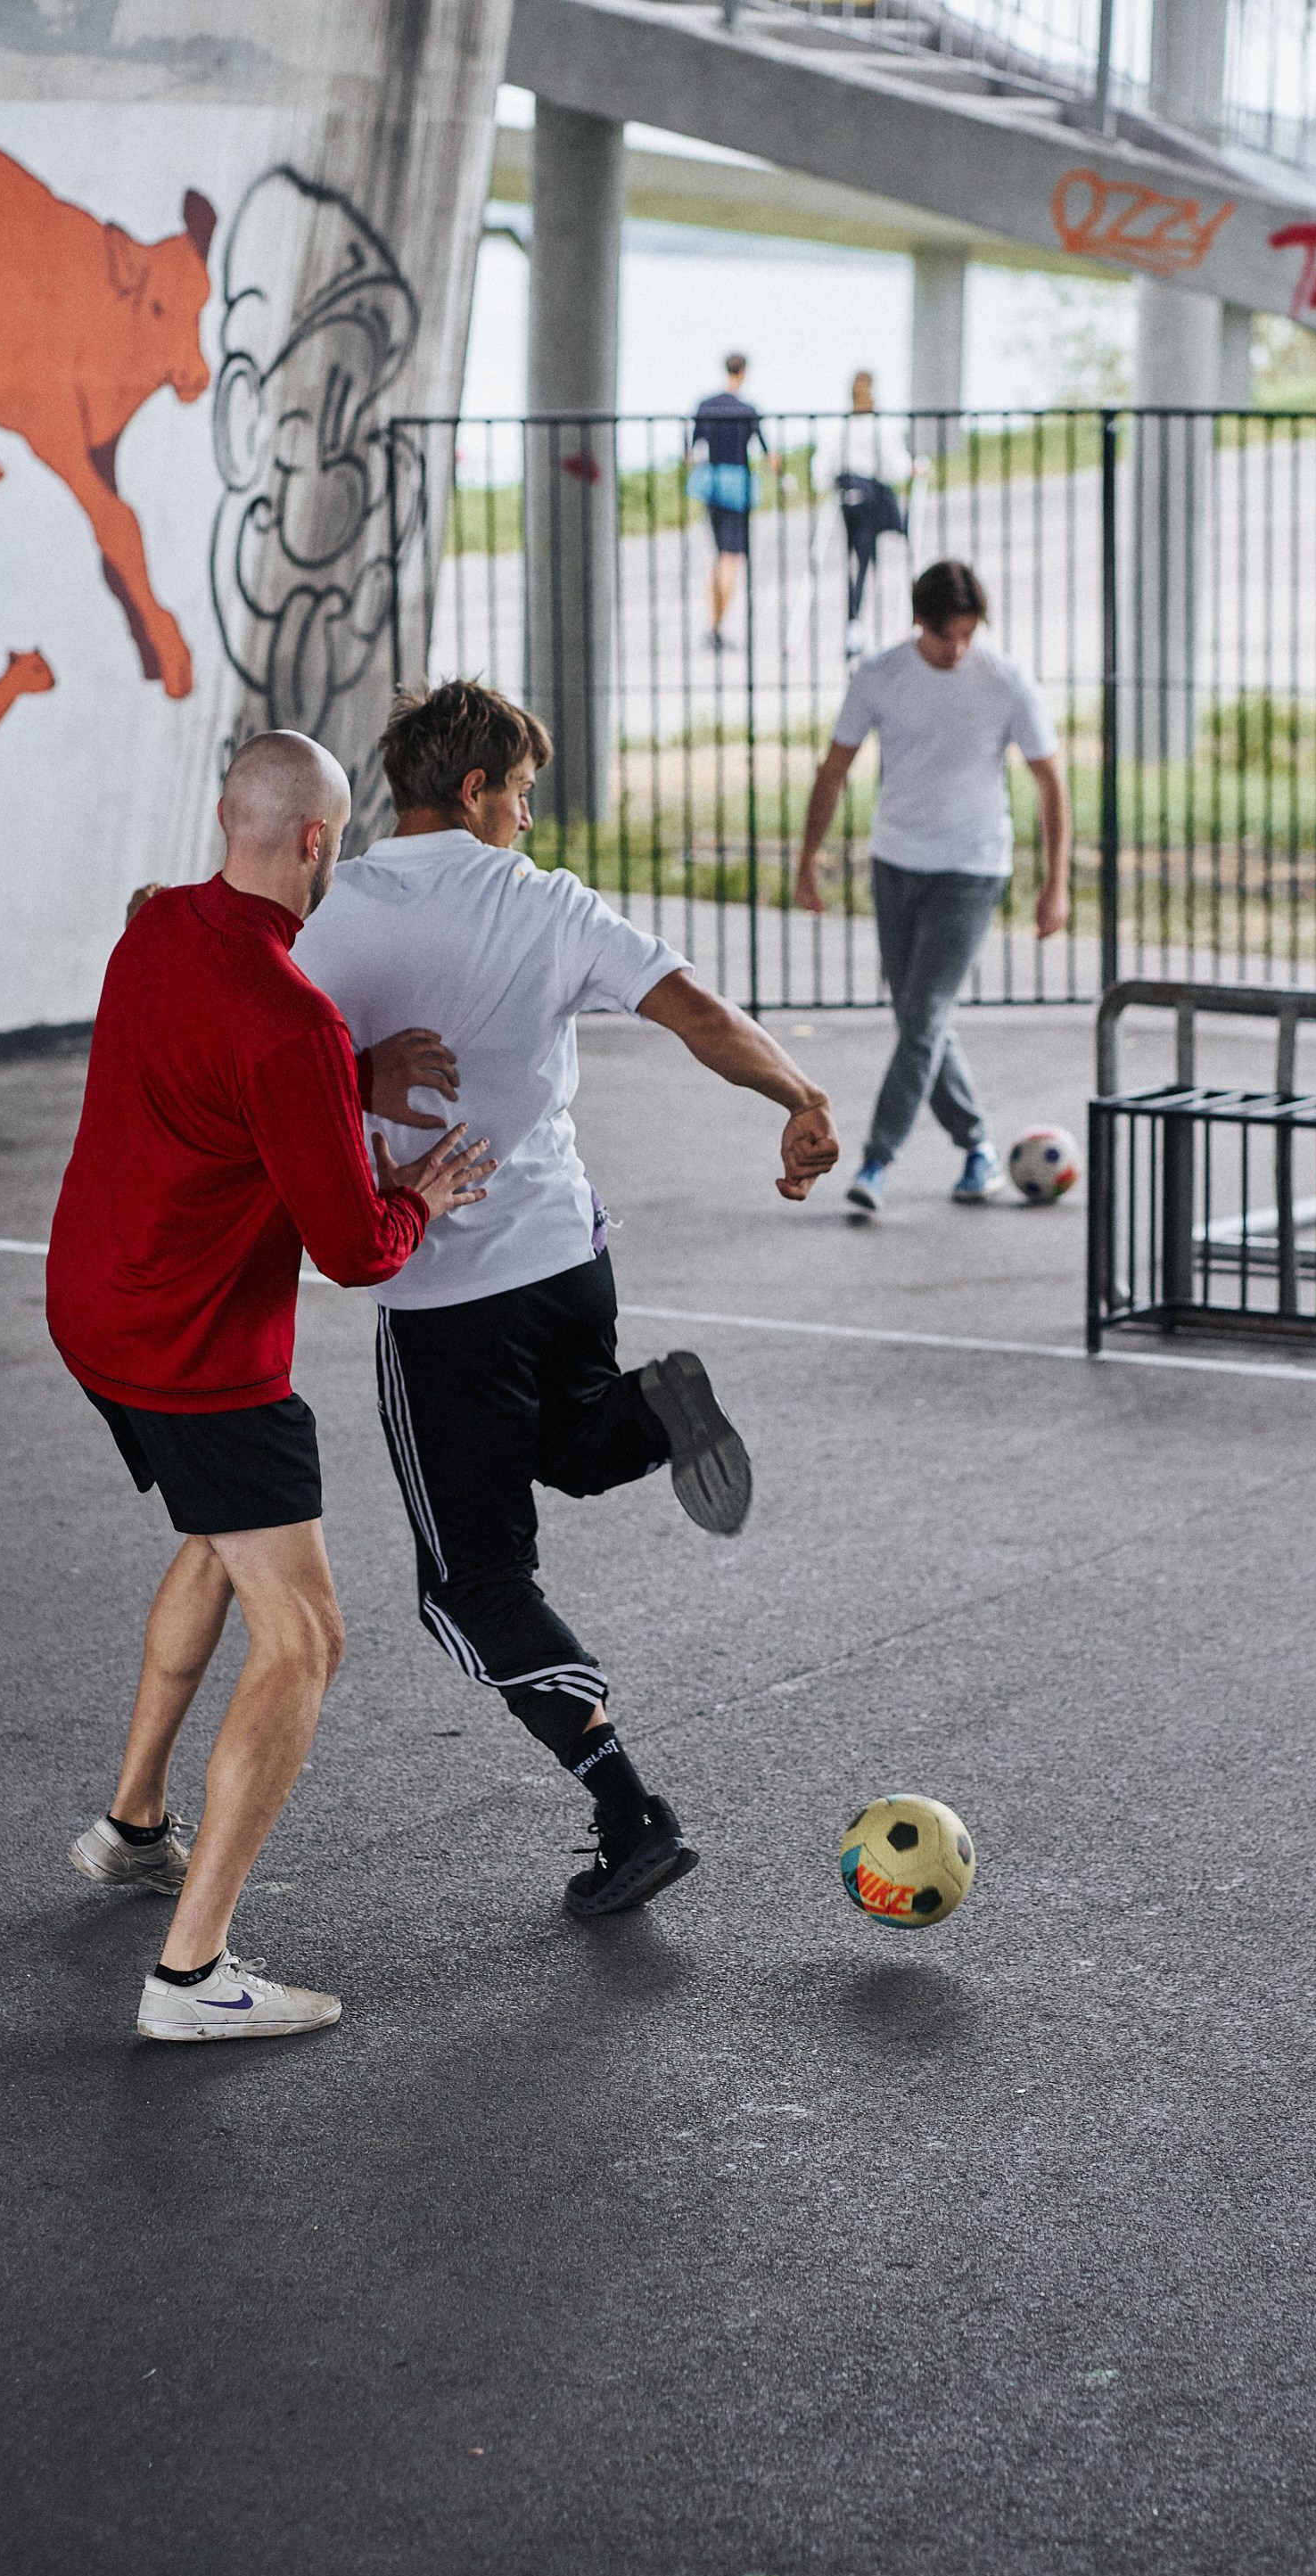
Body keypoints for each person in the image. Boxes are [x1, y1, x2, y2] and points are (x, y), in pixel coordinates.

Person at [294, 679, 840, 1916]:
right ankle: (654, 1404)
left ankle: (625, 1807)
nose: (530, 822)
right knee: (581, 1448)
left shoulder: (334, 924)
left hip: (444, 1293)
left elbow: (266, 1061)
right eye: (523, 795)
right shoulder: (547, 907)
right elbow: (694, 1012)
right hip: (567, 1257)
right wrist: (797, 1098)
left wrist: (357, 1068)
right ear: (475, 790)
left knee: (469, 1588)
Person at [47, 729, 492, 2044]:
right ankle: (191, 1980)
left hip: (96, 1312)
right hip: (196, 1354)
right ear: (315, 842)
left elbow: (209, 1079)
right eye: (337, 841)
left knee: (215, 1537)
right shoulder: (293, 1017)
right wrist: (414, 1191)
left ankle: (131, 1829)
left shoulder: (157, 932)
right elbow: (357, 1250)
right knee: (305, 1638)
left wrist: (351, 1081)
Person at [794, 558, 1070, 1211]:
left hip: (972, 870)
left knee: (920, 1019)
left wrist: (1054, 883)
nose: (958, 649)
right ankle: (976, 1148)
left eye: (968, 635)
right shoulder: (879, 676)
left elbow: (1049, 781)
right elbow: (833, 769)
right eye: (947, 635)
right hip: (895, 864)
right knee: (921, 1017)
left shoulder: (1004, 681)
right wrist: (806, 858)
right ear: (919, 621)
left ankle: (875, 1164)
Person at [814, 370, 911, 657]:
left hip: (848, 496)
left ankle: (854, 622)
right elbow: (894, 465)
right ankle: (868, 621)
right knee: (880, 549)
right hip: (872, 496)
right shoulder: (877, 425)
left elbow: (824, 466)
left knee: (856, 557)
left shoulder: (841, 426)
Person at [690, 352, 776, 650]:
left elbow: (694, 449)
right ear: (744, 372)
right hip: (737, 483)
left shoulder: (706, 405)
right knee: (730, 557)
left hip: (711, 481)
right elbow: (767, 452)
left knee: (718, 556)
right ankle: (715, 628)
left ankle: (711, 623)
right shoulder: (747, 409)